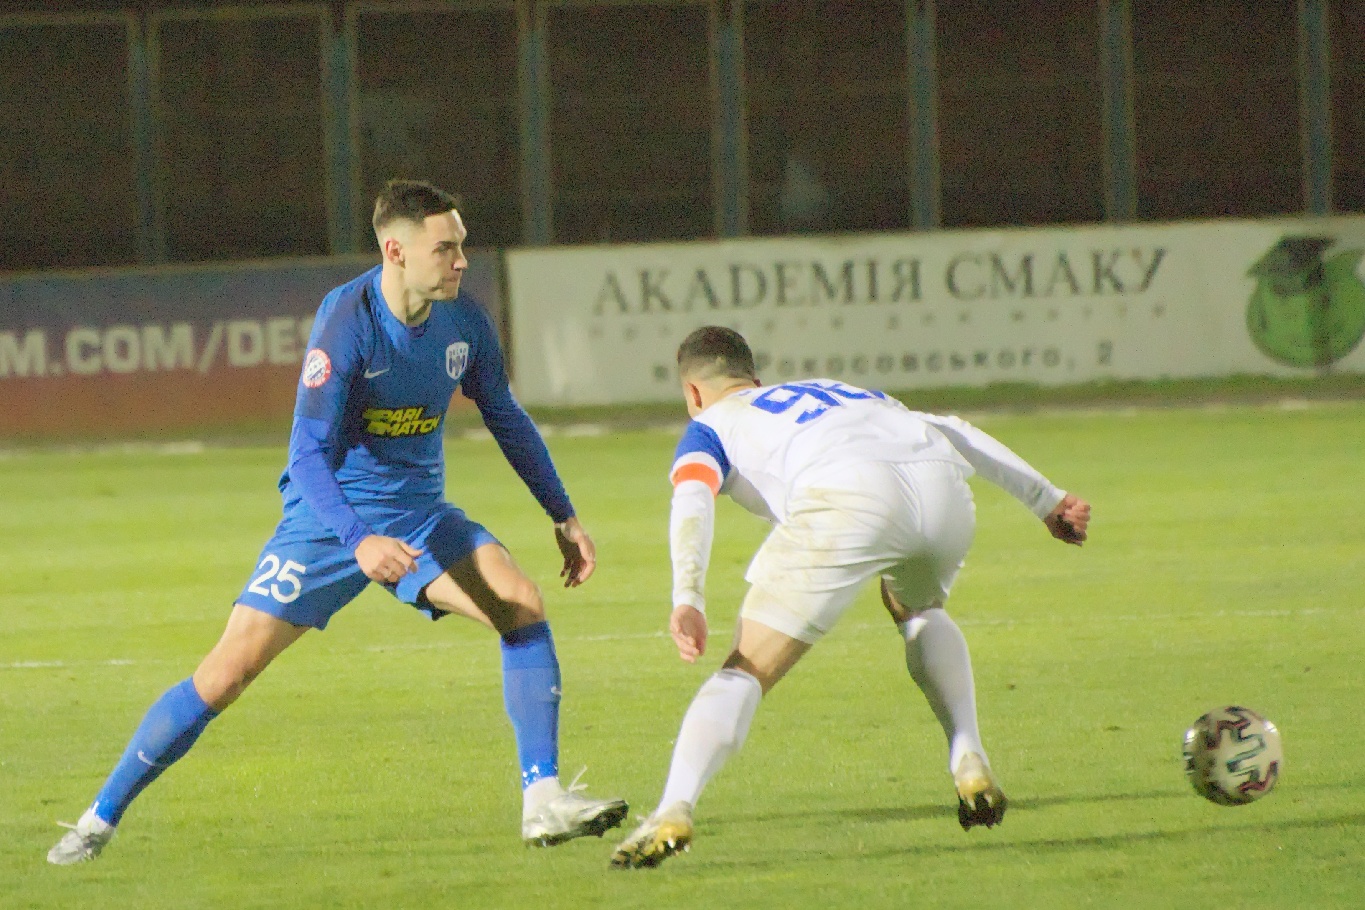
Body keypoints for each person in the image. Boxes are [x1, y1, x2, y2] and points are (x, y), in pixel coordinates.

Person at [48, 179, 627, 865]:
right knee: (227, 674)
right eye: (445, 248)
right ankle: (98, 819)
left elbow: (505, 415)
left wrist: (563, 514)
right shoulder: (348, 320)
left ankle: (542, 800)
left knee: (519, 603)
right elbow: (305, 454)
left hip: (418, 516)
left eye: (462, 246)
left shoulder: (463, 323)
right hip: (330, 522)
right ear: (395, 251)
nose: (462, 260)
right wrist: (358, 539)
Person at [610, 326, 1091, 868]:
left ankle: (674, 807)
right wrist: (1047, 500)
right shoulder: (845, 391)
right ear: (756, 379)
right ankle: (969, 755)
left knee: (746, 668)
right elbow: (954, 430)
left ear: (693, 393)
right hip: (941, 491)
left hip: (849, 496)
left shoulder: (710, 425)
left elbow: (693, 498)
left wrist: (688, 596)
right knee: (916, 607)